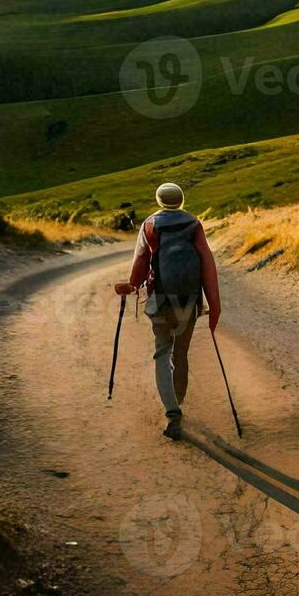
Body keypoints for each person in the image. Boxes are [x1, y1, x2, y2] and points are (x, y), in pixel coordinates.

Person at [114, 182, 221, 440]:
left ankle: (172, 412)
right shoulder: (194, 224)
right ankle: (179, 401)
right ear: (181, 200)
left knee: (163, 353)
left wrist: (131, 285)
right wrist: (213, 304)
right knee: (181, 354)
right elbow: (207, 262)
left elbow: (141, 260)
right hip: (188, 300)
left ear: (159, 200)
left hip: (160, 300)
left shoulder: (149, 225)